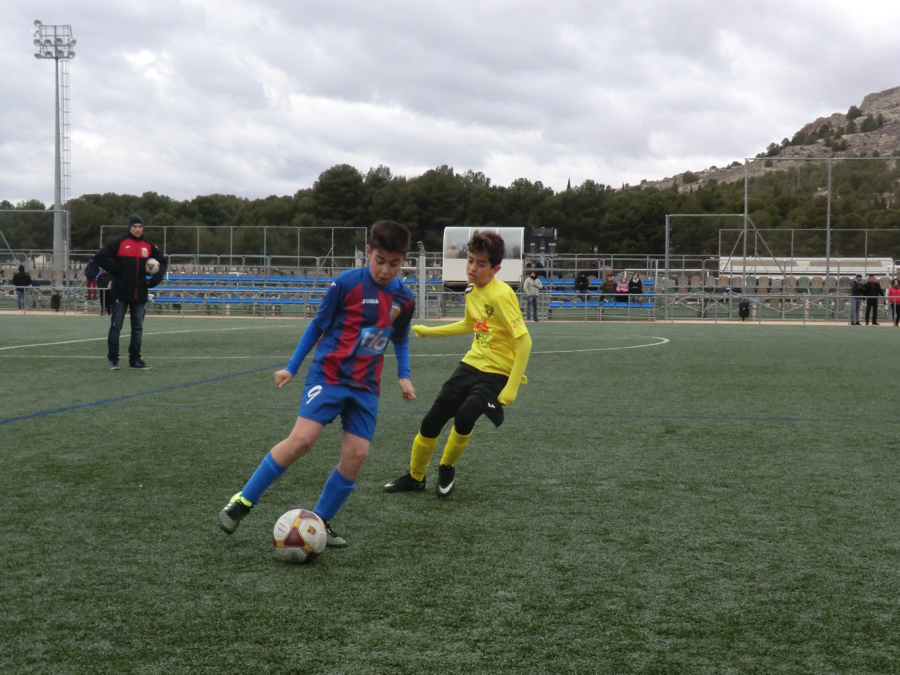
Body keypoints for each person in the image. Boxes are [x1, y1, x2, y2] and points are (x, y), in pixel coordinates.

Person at [216, 220, 417, 547]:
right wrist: (292, 367)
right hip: (329, 375)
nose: (385, 270)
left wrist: (403, 374)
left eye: (394, 264)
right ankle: (242, 501)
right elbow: (317, 326)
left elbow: (401, 338)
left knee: (357, 454)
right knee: (302, 441)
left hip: (366, 386)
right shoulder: (346, 284)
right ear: (368, 253)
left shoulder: (403, 299)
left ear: (404, 260)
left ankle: (320, 523)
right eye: (380, 260)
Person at [384, 230, 532, 497]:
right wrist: (431, 331)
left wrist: (511, 388)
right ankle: (416, 477)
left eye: (481, 263)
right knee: (431, 422)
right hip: (471, 363)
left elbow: (525, 342)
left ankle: (446, 466)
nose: (473, 268)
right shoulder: (471, 290)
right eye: (471, 260)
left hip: (496, 373)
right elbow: (468, 324)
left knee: (464, 418)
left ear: (496, 268)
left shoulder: (502, 295)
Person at [94, 214, 167, 370]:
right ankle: (113, 359)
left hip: (140, 292)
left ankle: (135, 360)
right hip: (121, 291)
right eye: (135, 226)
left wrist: (155, 280)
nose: (138, 229)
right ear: (129, 227)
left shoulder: (148, 246)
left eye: (140, 226)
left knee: (138, 328)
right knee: (116, 326)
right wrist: (115, 270)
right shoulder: (119, 242)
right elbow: (99, 257)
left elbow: (163, 262)